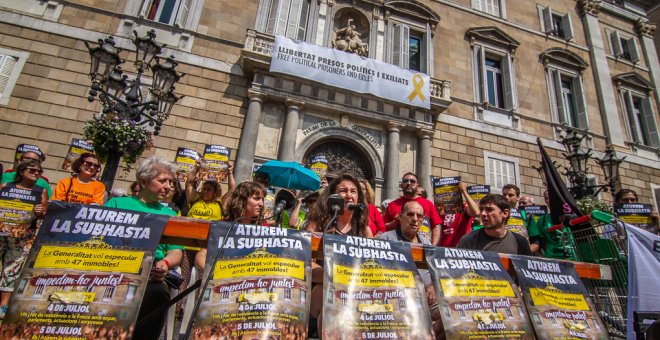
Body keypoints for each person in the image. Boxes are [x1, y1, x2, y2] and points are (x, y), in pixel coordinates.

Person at [105, 156, 183, 340]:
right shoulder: (116, 204)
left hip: (151, 272)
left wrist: (164, 263)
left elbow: (176, 251)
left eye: (171, 182)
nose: (168, 186)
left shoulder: (170, 214)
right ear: (143, 181)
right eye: (162, 181)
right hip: (113, 266)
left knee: (156, 293)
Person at [0, 161, 48, 318]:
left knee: (12, 269)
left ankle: (3, 305)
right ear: (21, 171)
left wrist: (40, 211)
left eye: (39, 171)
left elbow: (44, 214)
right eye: (32, 170)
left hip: (23, 236)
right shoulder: (6, 186)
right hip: (2, 229)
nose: (36, 173)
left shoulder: (40, 191)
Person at [194, 181, 265, 271]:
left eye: (262, 199)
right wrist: (213, 272)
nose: (261, 204)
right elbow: (201, 256)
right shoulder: (222, 226)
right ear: (241, 200)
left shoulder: (264, 230)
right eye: (256, 198)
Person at [457, 194, 532, 256]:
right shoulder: (468, 240)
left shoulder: (520, 242)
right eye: (481, 209)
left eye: (489, 210)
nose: (483, 214)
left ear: (505, 213)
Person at [305, 174, 372, 237]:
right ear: (333, 196)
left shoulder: (364, 230)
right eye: (343, 191)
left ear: (358, 198)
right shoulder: (318, 223)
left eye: (353, 191)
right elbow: (306, 244)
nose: (349, 195)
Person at [383, 173, 441, 245]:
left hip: (422, 246)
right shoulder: (392, 205)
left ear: (417, 185)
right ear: (402, 185)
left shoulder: (428, 204)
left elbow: (436, 227)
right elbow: (383, 227)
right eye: (405, 181)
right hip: (397, 247)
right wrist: (395, 222)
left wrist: (432, 247)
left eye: (412, 181)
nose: (409, 183)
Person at [436, 181, 480, 248]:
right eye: (447, 193)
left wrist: (464, 192)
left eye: (453, 192)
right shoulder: (441, 209)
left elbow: (476, 212)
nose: (449, 195)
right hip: (444, 249)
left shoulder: (464, 207)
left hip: (462, 249)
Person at [527, 190, 566, 258]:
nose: (548, 200)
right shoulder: (542, 220)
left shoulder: (570, 216)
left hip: (572, 257)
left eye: (551, 197)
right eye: (546, 198)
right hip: (551, 259)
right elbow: (541, 242)